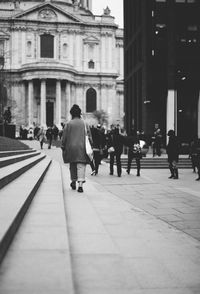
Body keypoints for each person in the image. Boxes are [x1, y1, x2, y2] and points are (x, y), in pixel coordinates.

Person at [61, 104, 92, 193]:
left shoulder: (68, 124)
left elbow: (64, 137)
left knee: (73, 165)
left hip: (71, 147)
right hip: (82, 147)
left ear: (71, 114)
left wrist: (63, 146)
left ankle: (73, 181)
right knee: (81, 165)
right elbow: (89, 136)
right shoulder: (85, 124)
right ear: (79, 113)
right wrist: (91, 145)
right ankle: (80, 185)